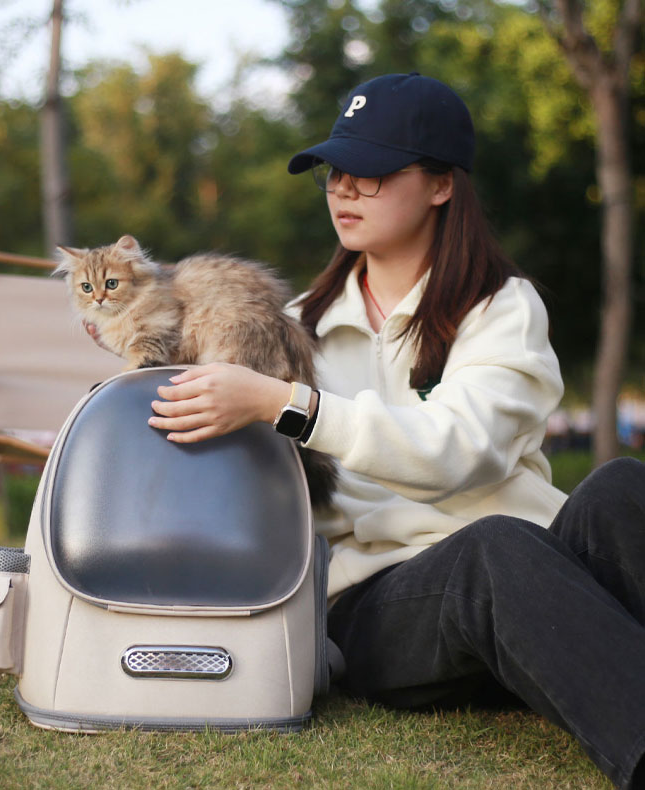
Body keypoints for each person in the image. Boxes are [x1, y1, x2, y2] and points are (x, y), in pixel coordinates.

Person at [91, 73, 645, 788]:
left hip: (538, 573)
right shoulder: (285, 328)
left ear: (441, 184)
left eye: (373, 172)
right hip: (380, 603)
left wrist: (289, 405)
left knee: (621, 488)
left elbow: (459, 451)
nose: (344, 189)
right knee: (493, 551)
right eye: (333, 172)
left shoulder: (501, 307)